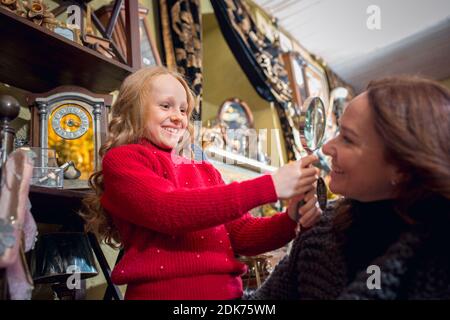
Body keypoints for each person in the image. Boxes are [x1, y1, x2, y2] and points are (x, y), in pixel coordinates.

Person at [82, 66, 322, 300]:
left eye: (184, 110)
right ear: (133, 109)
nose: (178, 117)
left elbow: (243, 234)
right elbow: (168, 210)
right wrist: (270, 186)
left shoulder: (204, 169)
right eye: (165, 106)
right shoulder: (124, 159)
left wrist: (290, 219)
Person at [250, 76, 450, 300]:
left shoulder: (439, 257)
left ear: (402, 168)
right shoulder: (320, 230)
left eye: (347, 139)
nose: (326, 147)